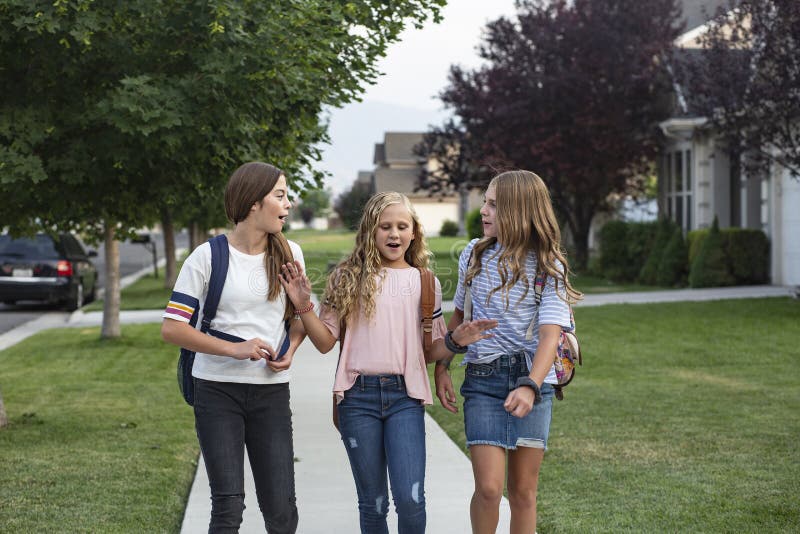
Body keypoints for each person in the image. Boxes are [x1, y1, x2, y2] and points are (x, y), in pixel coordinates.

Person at [279, 191, 497, 534]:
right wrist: (304, 305)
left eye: (401, 226)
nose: (393, 234)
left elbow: (430, 350)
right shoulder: (345, 278)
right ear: (370, 231)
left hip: (405, 399)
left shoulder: (426, 283)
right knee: (373, 503)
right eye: (384, 227)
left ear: (414, 233)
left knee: (411, 500)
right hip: (357, 399)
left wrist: (456, 341)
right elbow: (324, 343)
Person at [433, 170, 583, 534]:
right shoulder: (474, 253)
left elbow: (550, 335)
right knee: (487, 488)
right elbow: (460, 315)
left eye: (493, 205)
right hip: (483, 380)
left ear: (519, 211)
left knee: (523, 492)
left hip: (533, 381)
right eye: (485, 201)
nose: (483, 210)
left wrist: (530, 385)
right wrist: (442, 367)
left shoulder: (551, 265)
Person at [161, 161, 305, 533]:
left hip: (270, 395)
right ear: (253, 202)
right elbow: (172, 328)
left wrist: (290, 350)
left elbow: (298, 320)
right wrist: (234, 350)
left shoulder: (291, 255)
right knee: (228, 508)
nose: (288, 204)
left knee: (281, 509)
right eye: (280, 195)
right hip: (217, 391)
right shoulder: (207, 257)